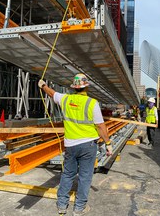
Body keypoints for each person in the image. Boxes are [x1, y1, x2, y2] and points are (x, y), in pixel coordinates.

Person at [38, 73, 112, 216]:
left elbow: (52, 94)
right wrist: (108, 143)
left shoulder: (65, 99)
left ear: (74, 87)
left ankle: (61, 206)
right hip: (88, 145)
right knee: (85, 176)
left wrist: (43, 86)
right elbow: (101, 127)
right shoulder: (92, 103)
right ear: (86, 87)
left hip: (70, 145)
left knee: (67, 174)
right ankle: (79, 208)